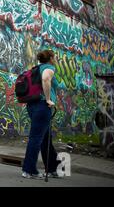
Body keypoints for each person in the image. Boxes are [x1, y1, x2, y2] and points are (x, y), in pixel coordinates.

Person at [22, 49, 64, 179]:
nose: (55, 59)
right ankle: (29, 170)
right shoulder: (49, 68)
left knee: (45, 138)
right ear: (51, 58)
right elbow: (46, 79)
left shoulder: (35, 69)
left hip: (32, 106)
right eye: (54, 57)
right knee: (36, 138)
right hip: (42, 106)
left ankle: (53, 168)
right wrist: (48, 99)